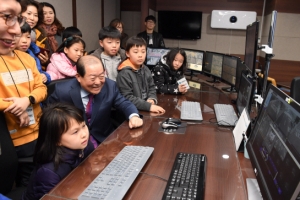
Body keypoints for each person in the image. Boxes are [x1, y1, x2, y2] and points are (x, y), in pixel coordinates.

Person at [47, 55, 143, 147]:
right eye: (92, 78)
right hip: (75, 145)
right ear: (78, 77)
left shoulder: (110, 86)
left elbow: (123, 103)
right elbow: (49, 118)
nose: (98, 82)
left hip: (105, 140)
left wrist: (133, 116)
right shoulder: (62, 91)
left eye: (101, 76)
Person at [0, 0, 47, 187]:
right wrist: (15, 106)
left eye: (17, 20)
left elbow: (42, 88)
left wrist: (27, 101)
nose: (16, 31)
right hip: (10, 138)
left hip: (36, 131)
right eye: (7, 17)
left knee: (34, 181)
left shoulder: (27, 59)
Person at [22, 103, 94, 200]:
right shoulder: (49, 173)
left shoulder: (85, 145)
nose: (84, 134)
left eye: (83, 126)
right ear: (56, 140)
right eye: (75, 132)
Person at [117, 36, 165, 113]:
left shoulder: (145, 69)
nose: (140, 55)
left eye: (143, 51)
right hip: (131, 112)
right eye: (136, 52)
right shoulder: (124, 73)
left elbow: (152, 87)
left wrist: (152, 98)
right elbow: (127, 97)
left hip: (146, 109)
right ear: (127, 53)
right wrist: (148, 106)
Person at [20, 0, 51, 66]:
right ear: (19, 14)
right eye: (29, 13)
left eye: (35, 15)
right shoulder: (11, 34)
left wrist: (45, 62)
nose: (32, 18)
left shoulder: (41, 35)